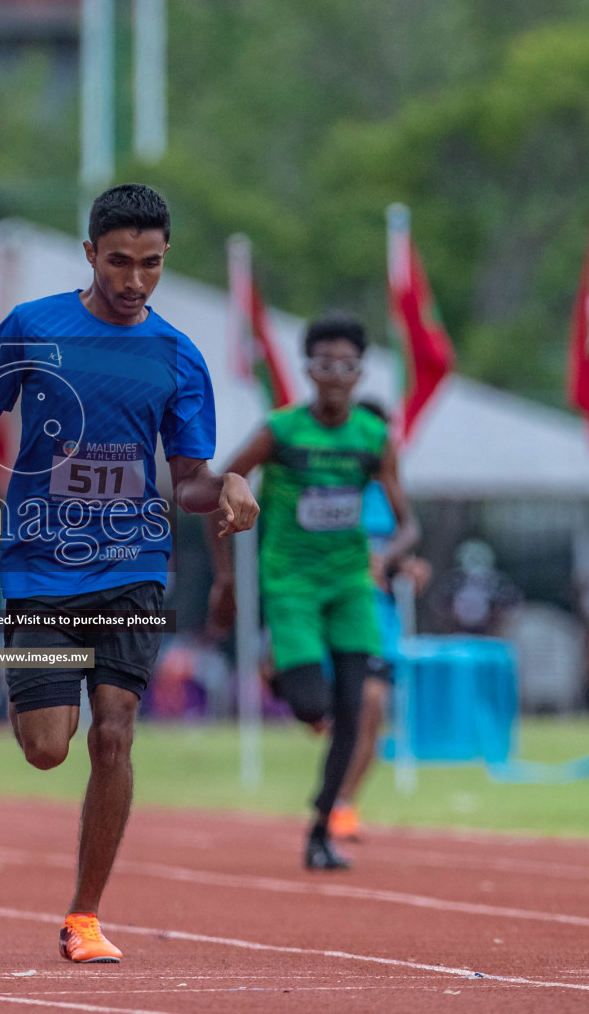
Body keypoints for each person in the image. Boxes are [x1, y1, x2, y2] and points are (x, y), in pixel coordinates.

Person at [0, 184, 258, 964]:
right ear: (89, 254)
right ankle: (36, 714)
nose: (134, 279)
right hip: (39, 570)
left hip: (134, 566)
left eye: (149, 264)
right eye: (118, 261)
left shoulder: (180, 356)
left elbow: (187, 483)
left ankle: (85, 917)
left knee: (114, 735)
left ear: (165, 257)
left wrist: (232, 488)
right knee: (48, 746)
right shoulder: (35, 328)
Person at [208, 313, 419, 871]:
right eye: (324, 365)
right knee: (312, 706)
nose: (334, 376)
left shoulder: (373, 439)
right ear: (308, 370)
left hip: (351, 583)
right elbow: (219, 488)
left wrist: (387, 556)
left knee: (354, 709)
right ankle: (278, 668)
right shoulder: (280, 431)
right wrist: (226, 580)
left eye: (346, 366)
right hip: (292, 583)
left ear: (359, 373)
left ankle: (322, 829)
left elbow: (409, 524)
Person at [329, 441, 432, 843]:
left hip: (380, 623)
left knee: (373, 707)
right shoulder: (330, 488)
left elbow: (395, 551)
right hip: (333, 615)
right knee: (329, 710)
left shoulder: (393, 499)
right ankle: (331, 796)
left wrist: (406, 566)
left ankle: (342, 804)